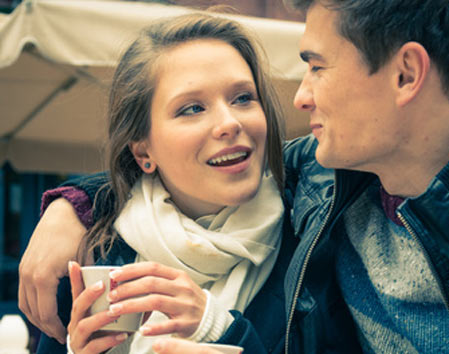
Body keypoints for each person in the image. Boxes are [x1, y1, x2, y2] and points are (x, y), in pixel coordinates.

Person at [20, 0, 449, 352]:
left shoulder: (306, 207)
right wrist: (72, 206)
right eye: (191, 108)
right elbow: (183, 173)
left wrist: (223, 331)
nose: (300, 96)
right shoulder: (329, 180)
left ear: (405, 75)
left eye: (317, 66)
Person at [29, 10, 356, 354]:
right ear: (143, 151)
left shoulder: (317, 237)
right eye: (192, 108)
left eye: (243, 98)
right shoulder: (90, 260)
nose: (228, 122)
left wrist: (220, 330)